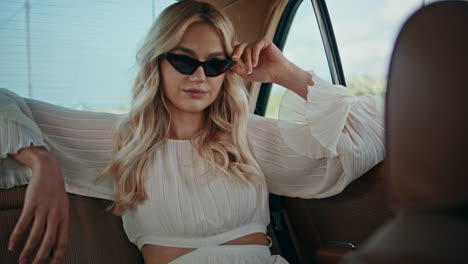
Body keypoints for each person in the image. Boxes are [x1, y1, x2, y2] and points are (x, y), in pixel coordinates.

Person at [0, 1, 385, 263]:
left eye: (215, 64)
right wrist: (41, 160)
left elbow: (365, 138)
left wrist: (286, 73)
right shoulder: (121, 140)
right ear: (158, 63)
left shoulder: (246, 138)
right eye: (184, 60)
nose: (199, 75)